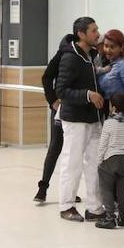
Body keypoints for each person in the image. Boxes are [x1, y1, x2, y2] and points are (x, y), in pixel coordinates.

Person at [54, 16, 105, 222]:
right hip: (75, 120)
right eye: (93, 30)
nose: (98, 34)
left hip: (92, 119)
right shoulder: (70, 57)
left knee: (94, 163)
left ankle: (94, 207)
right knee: (72, 162)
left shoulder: (90, 56)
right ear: (81, 34)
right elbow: (62, 90)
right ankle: (66, 205)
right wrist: (88, 95)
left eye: (97, 29)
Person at [94, 93, 124, 229]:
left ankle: (110, 217)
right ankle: (122, 217)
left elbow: (103, 144)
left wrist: (99, 161)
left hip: (109, 160)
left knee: (107, 189)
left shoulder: (109, 123)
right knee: (122, 189)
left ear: (114, 107)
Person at [36, 37, 69, 204]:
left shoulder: (89, 54)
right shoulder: (64, 52)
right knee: (56, 147)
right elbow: (47, 77)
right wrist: (53, 102)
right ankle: (43, 187)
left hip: (72, 109)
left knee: (70, 152)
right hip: (61, 109)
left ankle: (69, 191)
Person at [95, 29, 124, 118]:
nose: (108, 50)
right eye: (106, 46)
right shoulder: (108, 61)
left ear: (121, 47)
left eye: (112, 47)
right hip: (109, 112)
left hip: (121, 115)